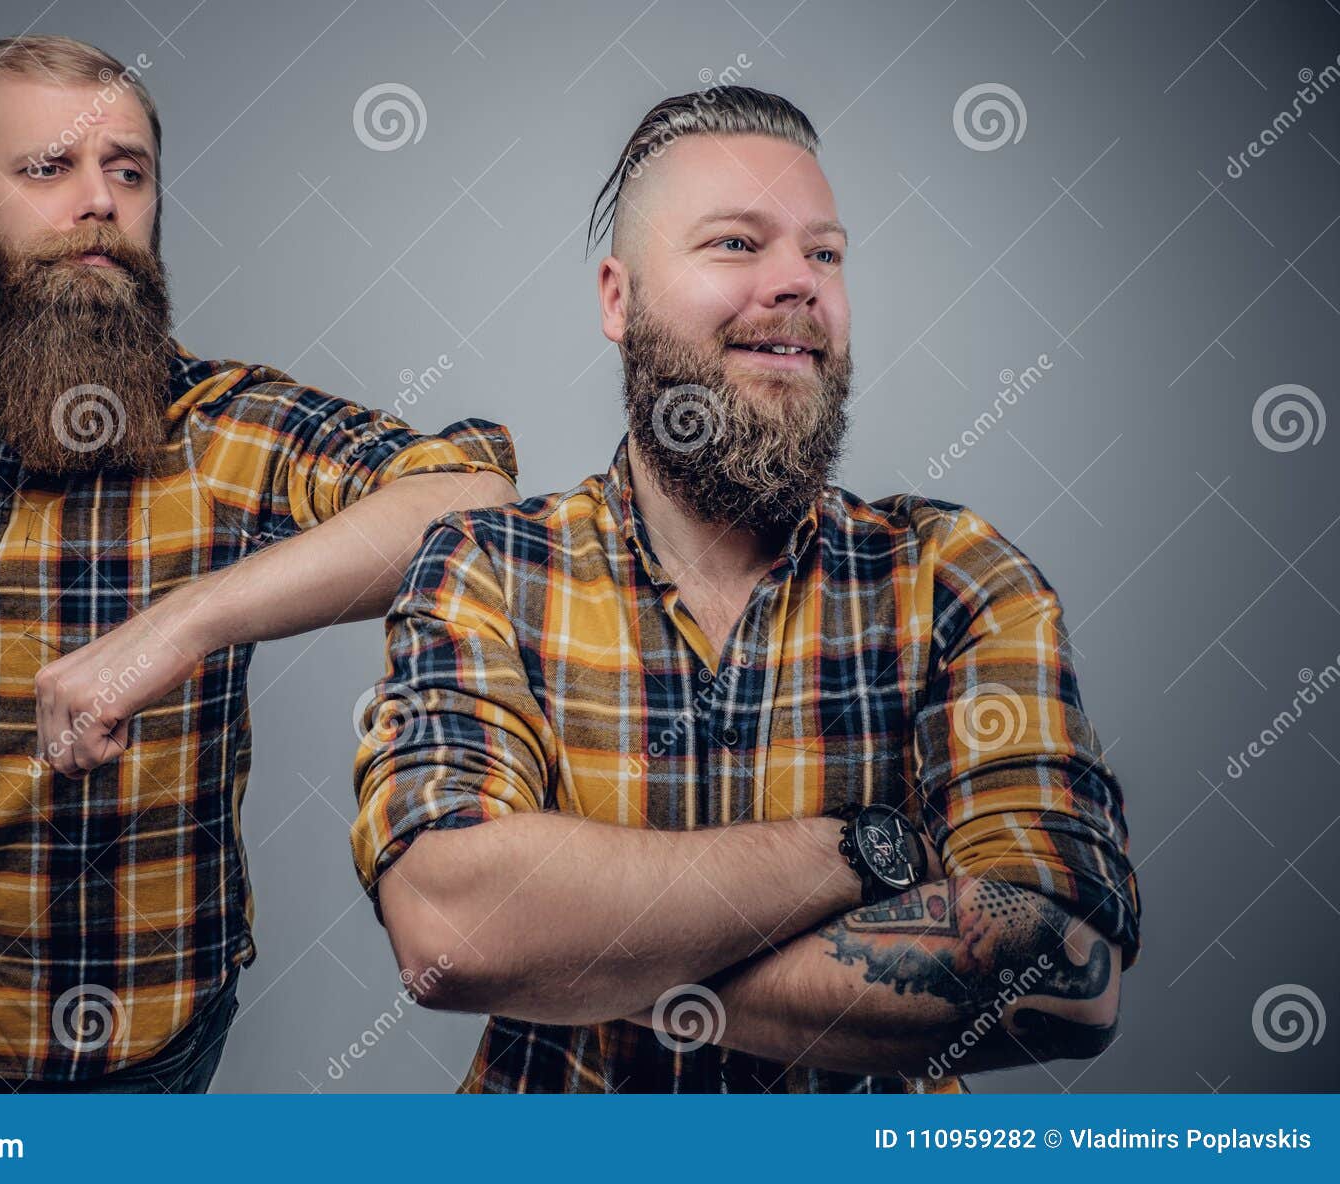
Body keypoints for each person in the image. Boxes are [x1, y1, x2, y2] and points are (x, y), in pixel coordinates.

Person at [0, 34, 518, 1092]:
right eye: (46, 169)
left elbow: (472, 498)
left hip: (153, 1026)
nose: (99, 203)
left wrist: (180, 623)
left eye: (127, 170)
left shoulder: (228, 424)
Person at [351, 86, 1140, 1093]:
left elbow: (1060, 969)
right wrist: (871, 848)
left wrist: (571, 953)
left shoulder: (954, 577)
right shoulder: (486, 567)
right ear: (617, 297)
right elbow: (450, 926)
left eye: (824, 253)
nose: (797, 284)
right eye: (735, 243)